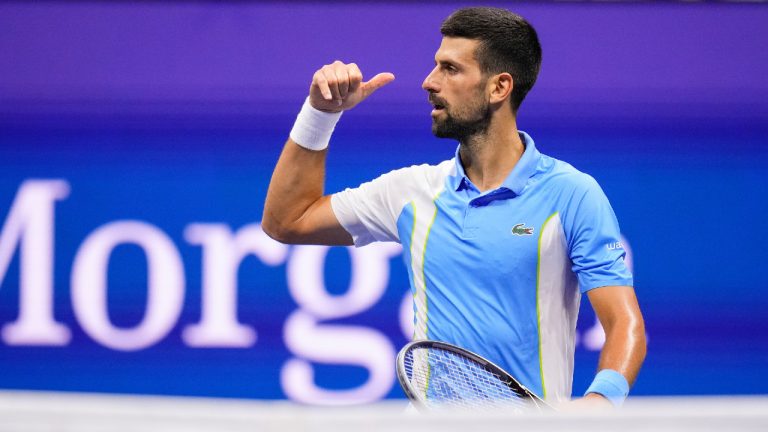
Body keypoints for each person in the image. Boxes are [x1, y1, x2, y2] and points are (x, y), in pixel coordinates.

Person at [263, 7, 646, 408]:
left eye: (450, 69)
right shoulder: (410, 191)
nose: (429, 82)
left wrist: (602, 401)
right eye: (435, 66)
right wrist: (321, 114)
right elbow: (287, 220)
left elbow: (625, 323)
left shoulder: (572, 195)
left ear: (500, 87)